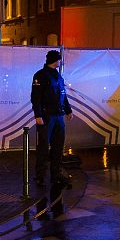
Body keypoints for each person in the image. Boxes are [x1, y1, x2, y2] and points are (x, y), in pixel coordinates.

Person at [31, 49, 73, 186]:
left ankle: (56, 173)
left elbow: (63, 94)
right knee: (43, 146)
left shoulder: (58, 76)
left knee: (58, 146)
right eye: (59, 60)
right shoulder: (40, 75)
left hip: (59, 116)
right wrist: (38, 115)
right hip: (46, 116)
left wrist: (68, 110)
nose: (60, 62)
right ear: (54, 60)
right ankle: (40, 175)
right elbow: (35, 97)